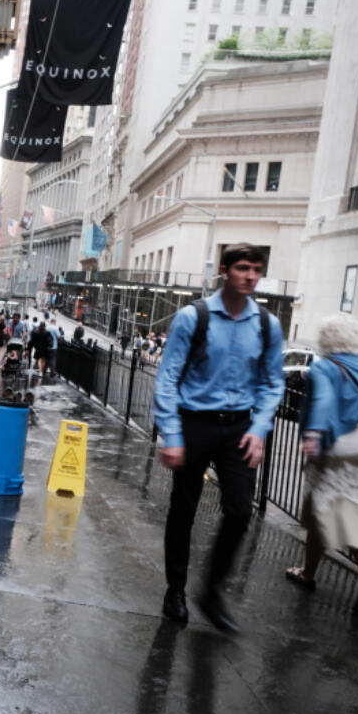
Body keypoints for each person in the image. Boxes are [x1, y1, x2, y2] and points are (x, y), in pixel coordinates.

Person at [153, 243, 285, 632]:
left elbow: (273, 383)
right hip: (195, 423)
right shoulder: (193, 317)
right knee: (184, 509)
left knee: (241, 511)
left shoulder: (267, 325)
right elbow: (167, 378)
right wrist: (172, 434)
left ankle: (211, 591)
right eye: (243, 268)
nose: (250, 276)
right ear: (225, 271)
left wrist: (260, 428)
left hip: (239, 428)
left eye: (257, 270)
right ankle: (175, 589)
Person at [284, 314, 358, 615]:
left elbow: (322, 400)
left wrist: (312, 435)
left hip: (333, 449)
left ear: (326, 339)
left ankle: (308, 574)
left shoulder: (325, 367)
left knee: (321, 516)